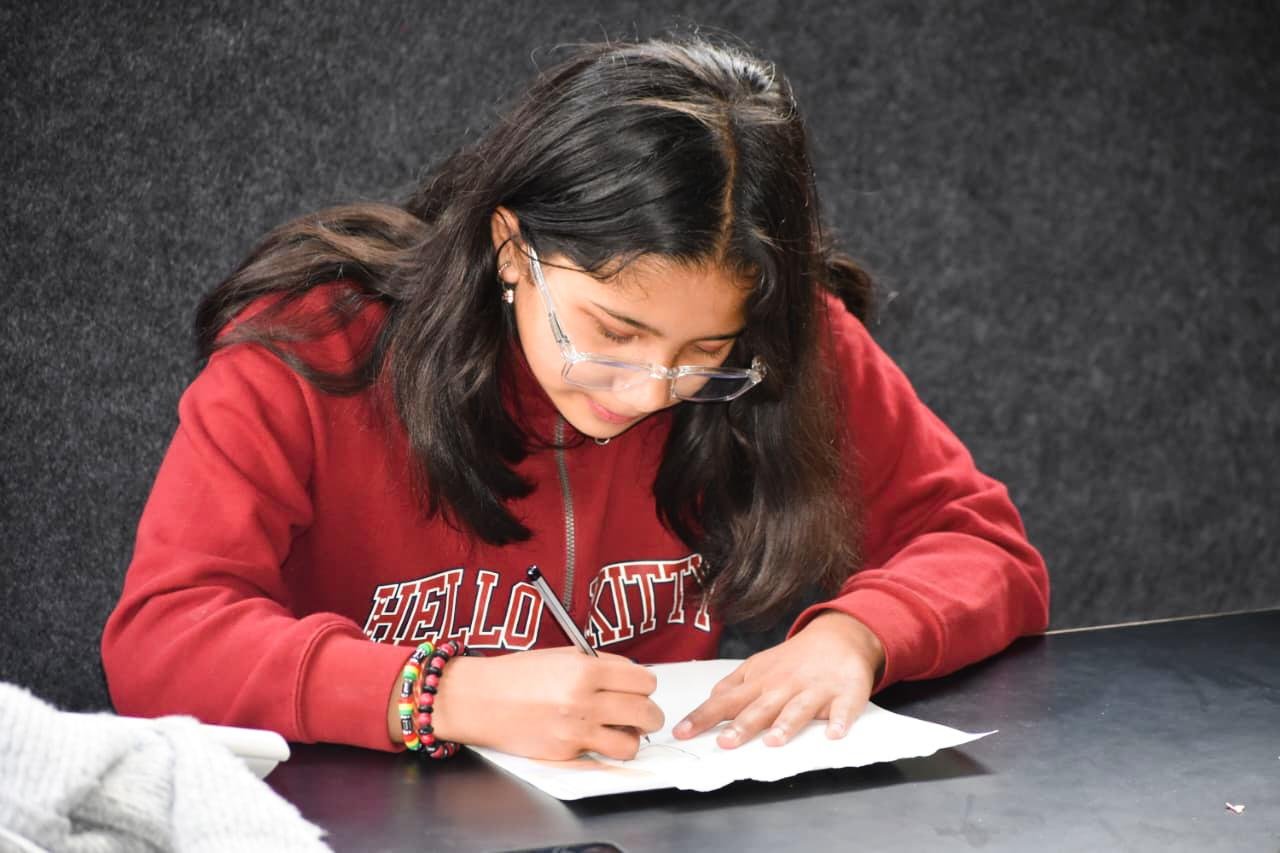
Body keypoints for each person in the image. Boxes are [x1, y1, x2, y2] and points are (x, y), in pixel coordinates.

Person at [102, 35, 1049, 762]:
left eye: (704, 352)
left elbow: (982, 544)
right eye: (612, 332)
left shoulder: (791, 344)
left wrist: (856, 636)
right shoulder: (314, 348)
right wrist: (439, 696)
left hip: (649, 807)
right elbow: (162, 637)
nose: (647, 392)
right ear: (512, 248)